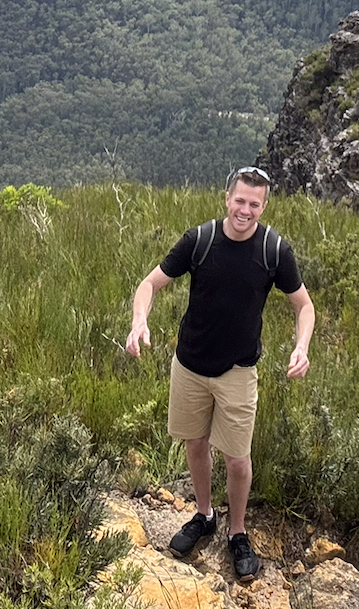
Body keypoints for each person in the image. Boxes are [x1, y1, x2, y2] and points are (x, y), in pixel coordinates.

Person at [126, 166, 315, 580]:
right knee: (195, 444)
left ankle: (237, 532)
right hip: (190, 364)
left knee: (237, 458)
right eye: (240, 200)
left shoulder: (273, 250)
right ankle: (204, 514)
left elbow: (303, 305)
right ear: (226, 198)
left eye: (254, 204)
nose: (245, 210)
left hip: (238, 371)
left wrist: (302, 346)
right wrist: (140, 320)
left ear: (264, 206)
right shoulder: (200, 240)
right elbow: (150, 284)